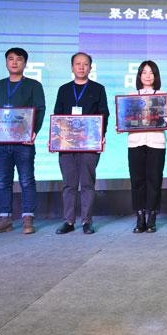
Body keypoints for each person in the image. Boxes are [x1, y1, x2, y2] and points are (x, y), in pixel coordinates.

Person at [0, 47, 46, 235]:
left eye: (19, 59)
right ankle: (5, 219)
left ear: (25, 63)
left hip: (24, 143)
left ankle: (28, 218)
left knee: (26, 180)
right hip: (1, 143)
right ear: (6, 62)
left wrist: (33, 132)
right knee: (3, 181)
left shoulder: (34, 85)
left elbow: (40, 110)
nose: (14, 62)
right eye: (10, 59)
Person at [53, 52, 109, 235]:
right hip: (66, 144)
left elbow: (104, 114)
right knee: (69, 184)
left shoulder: (98, 89)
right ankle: (68, 221)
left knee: (87, 184)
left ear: (90, 67)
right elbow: (57, 115)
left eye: (85, 64)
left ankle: (87, 221)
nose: (81, 67)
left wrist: (101, 135)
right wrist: (54, 138)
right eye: (78, 64)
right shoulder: (64, 89)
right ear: (72, 67)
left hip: (89, 144)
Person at [128, 60, 167, 233]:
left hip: (156, 142)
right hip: (135, 142)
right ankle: (140, 217)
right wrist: (122, 123)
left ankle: (152, 216)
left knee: (154, 180)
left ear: (156, 76)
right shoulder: (131, 96)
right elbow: (126, 119)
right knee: (137, 180)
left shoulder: (163, 96)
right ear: (139, 75)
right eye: (144, 72)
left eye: (151, 72)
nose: (147, 76)